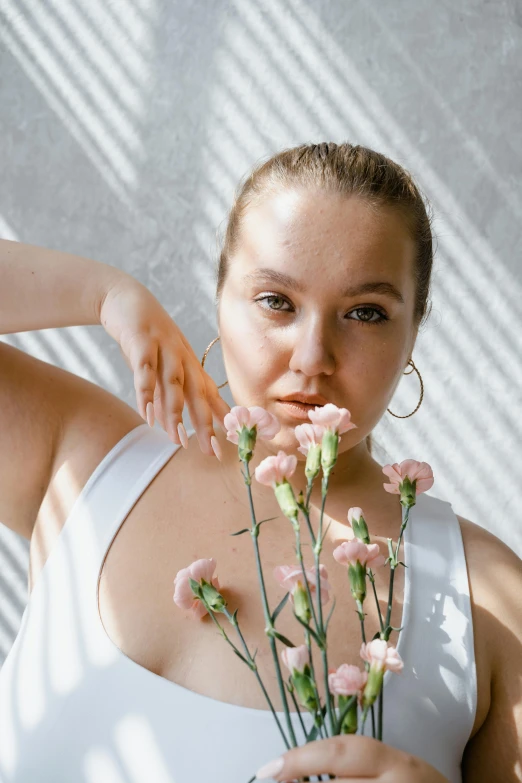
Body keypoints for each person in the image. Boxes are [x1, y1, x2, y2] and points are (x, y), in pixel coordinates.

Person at [0, 142, 519, 783]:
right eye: (276, 301)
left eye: (365, 313)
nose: (312, 356)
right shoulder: (79, 463)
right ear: (218, 297)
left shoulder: (487, 599)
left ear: (413, 333)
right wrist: (108, 294)